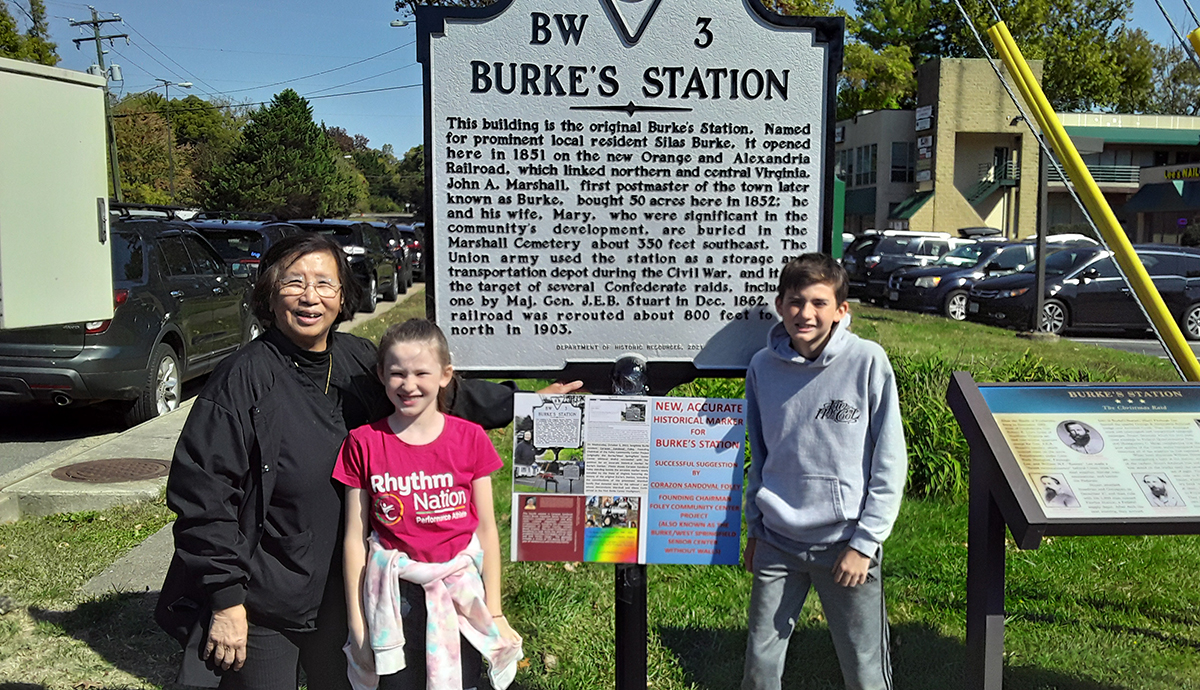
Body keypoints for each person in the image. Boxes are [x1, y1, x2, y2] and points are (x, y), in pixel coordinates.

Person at [156, 234, 577, 690]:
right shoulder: (242, 380)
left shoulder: (356, 360)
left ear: (342, 296)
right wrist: (225, 600)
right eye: (294, 282)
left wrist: (524, 403)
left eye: (324, 283)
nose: (310, 296)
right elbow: (203, 496)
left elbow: (432, 394)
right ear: (270, 294)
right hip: (267, 598)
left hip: (349, 591)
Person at [741, 253, 907, 690]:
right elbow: (760, 455)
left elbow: (890, 461)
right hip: (777, 539)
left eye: (818, 302)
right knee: (760, 662)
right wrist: (755, 530)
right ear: (780, 305)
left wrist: (866, 543)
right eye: (796, 302)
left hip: (845, 544)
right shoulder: (761, 367)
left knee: (864, 665)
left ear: (841, 310)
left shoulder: (868, 361)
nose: (806, 313)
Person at [337, 319, 522, 690]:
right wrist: (357, 626)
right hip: (393, 597)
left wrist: (496, 610)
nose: (409, 385)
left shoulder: (470, 438)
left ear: (444, 375)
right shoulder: (363, 442)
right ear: (380, 375)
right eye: (397, 373)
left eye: (422, 372)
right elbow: (355, 540)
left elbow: (487, 529)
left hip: (460, 596)